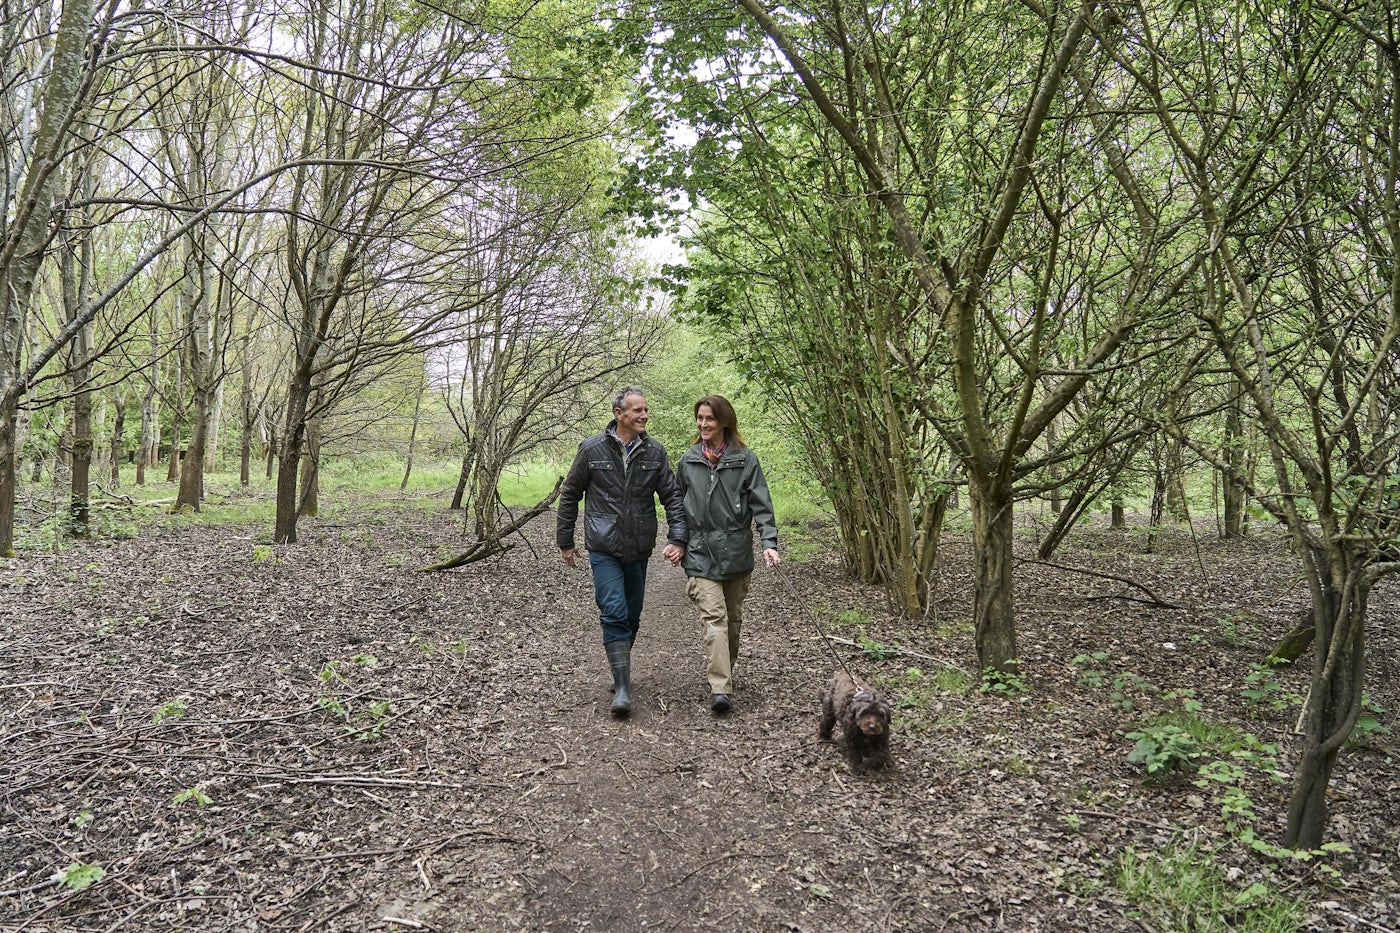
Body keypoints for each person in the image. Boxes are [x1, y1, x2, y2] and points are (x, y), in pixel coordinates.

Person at [557, 387, 687, 718]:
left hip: (639, 545)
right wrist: (565, 540)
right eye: (637, 411)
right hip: (603, 545)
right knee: (613, 610)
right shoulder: (591, 449)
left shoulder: (655, 452)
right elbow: (570, 493)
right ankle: (624, 687)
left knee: (631, 613)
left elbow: (671, 496)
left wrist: (678, 537)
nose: (644, 416)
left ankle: (619, 672)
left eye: (646, 410)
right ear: (619, 414)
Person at [675, 394, 779, 715]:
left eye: (709, 418)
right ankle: (720, 687)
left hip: (736, 554)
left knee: (732, 621)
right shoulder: (688, 461)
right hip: (699, 555)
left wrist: (769, 543)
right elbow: (676, 506)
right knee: (715, 620)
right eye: (700, 418)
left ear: (724, 422)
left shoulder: (745, 460)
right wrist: (678, 541)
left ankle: (726, 670)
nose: (703, 424)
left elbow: (762, 505)